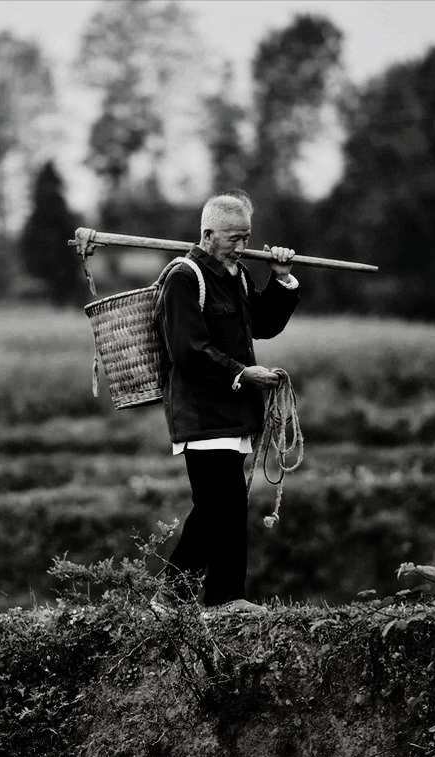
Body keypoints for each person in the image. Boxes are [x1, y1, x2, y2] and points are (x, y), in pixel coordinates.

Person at [153, 192, 299, 613]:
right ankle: (224, 600)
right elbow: (188, 350)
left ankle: (172, 597)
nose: (241, 246)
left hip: (233, 414)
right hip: (201, 414)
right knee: (225, 507)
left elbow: (264, 324)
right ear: (208, 234)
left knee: (215, 507)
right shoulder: (185, 277)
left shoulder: (235, 275)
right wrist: (241, 373)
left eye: (247, 237)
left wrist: (282, 278)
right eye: (233, 238)